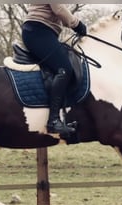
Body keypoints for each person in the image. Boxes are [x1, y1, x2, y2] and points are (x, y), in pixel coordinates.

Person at [21, 4, 87, 135]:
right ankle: (53, 121)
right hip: (38, 31)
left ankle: (63, 118)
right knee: (64, 69)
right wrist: (77, 25)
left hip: (42, 32)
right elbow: (58, 9)